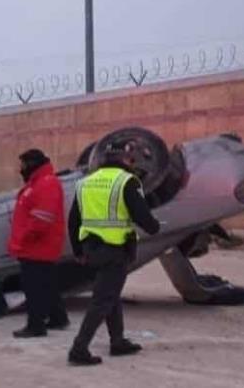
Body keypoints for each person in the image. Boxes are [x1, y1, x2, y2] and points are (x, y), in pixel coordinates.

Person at [67, 142, 160, 366]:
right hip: (114, 249)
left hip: (91, 248)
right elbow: (141, 215)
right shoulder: (125, 182)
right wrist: (154, 227)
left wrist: (78, 251)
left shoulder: (85, 183)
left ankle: (117, 341)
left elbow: (73, 221)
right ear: (126, 160)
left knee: (111, 293)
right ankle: (79, 348)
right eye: (131, 159)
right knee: (102, 300)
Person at [7, 149, 69, 338]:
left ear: (33, 163)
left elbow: (42, 218)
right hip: (38, 246)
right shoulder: (38, 183)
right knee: (47, 284)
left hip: (37, 246)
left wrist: (25, 238)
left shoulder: (46, 184)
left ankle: (36, 325)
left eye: (23, 165)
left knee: (33, 287)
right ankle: (58, 318)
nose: (21, 169)